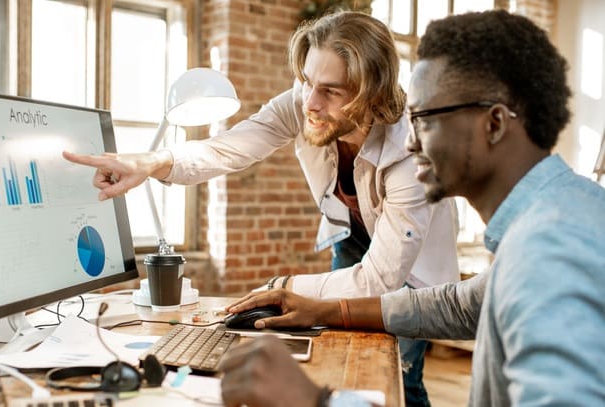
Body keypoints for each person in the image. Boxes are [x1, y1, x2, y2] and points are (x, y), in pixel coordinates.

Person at [64, 11, 460, 405]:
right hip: (353, 236)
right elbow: (231, 146)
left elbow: (380, 281)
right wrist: (152, 163)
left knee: (399, 372)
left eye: (331, 91)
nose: (310, 103)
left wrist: (280, 288)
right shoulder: (303, 100)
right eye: (307, 81)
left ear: (370, 91)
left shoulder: (412, 149)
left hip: (410, 265)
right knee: (342, 349)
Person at [219, 9, 605, 407]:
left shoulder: (554, 249)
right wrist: (328, 309)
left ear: (493, 124)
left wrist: (313, 399)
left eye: (423, 118)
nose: (409, 143)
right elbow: (458, 304)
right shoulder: (553, 216)